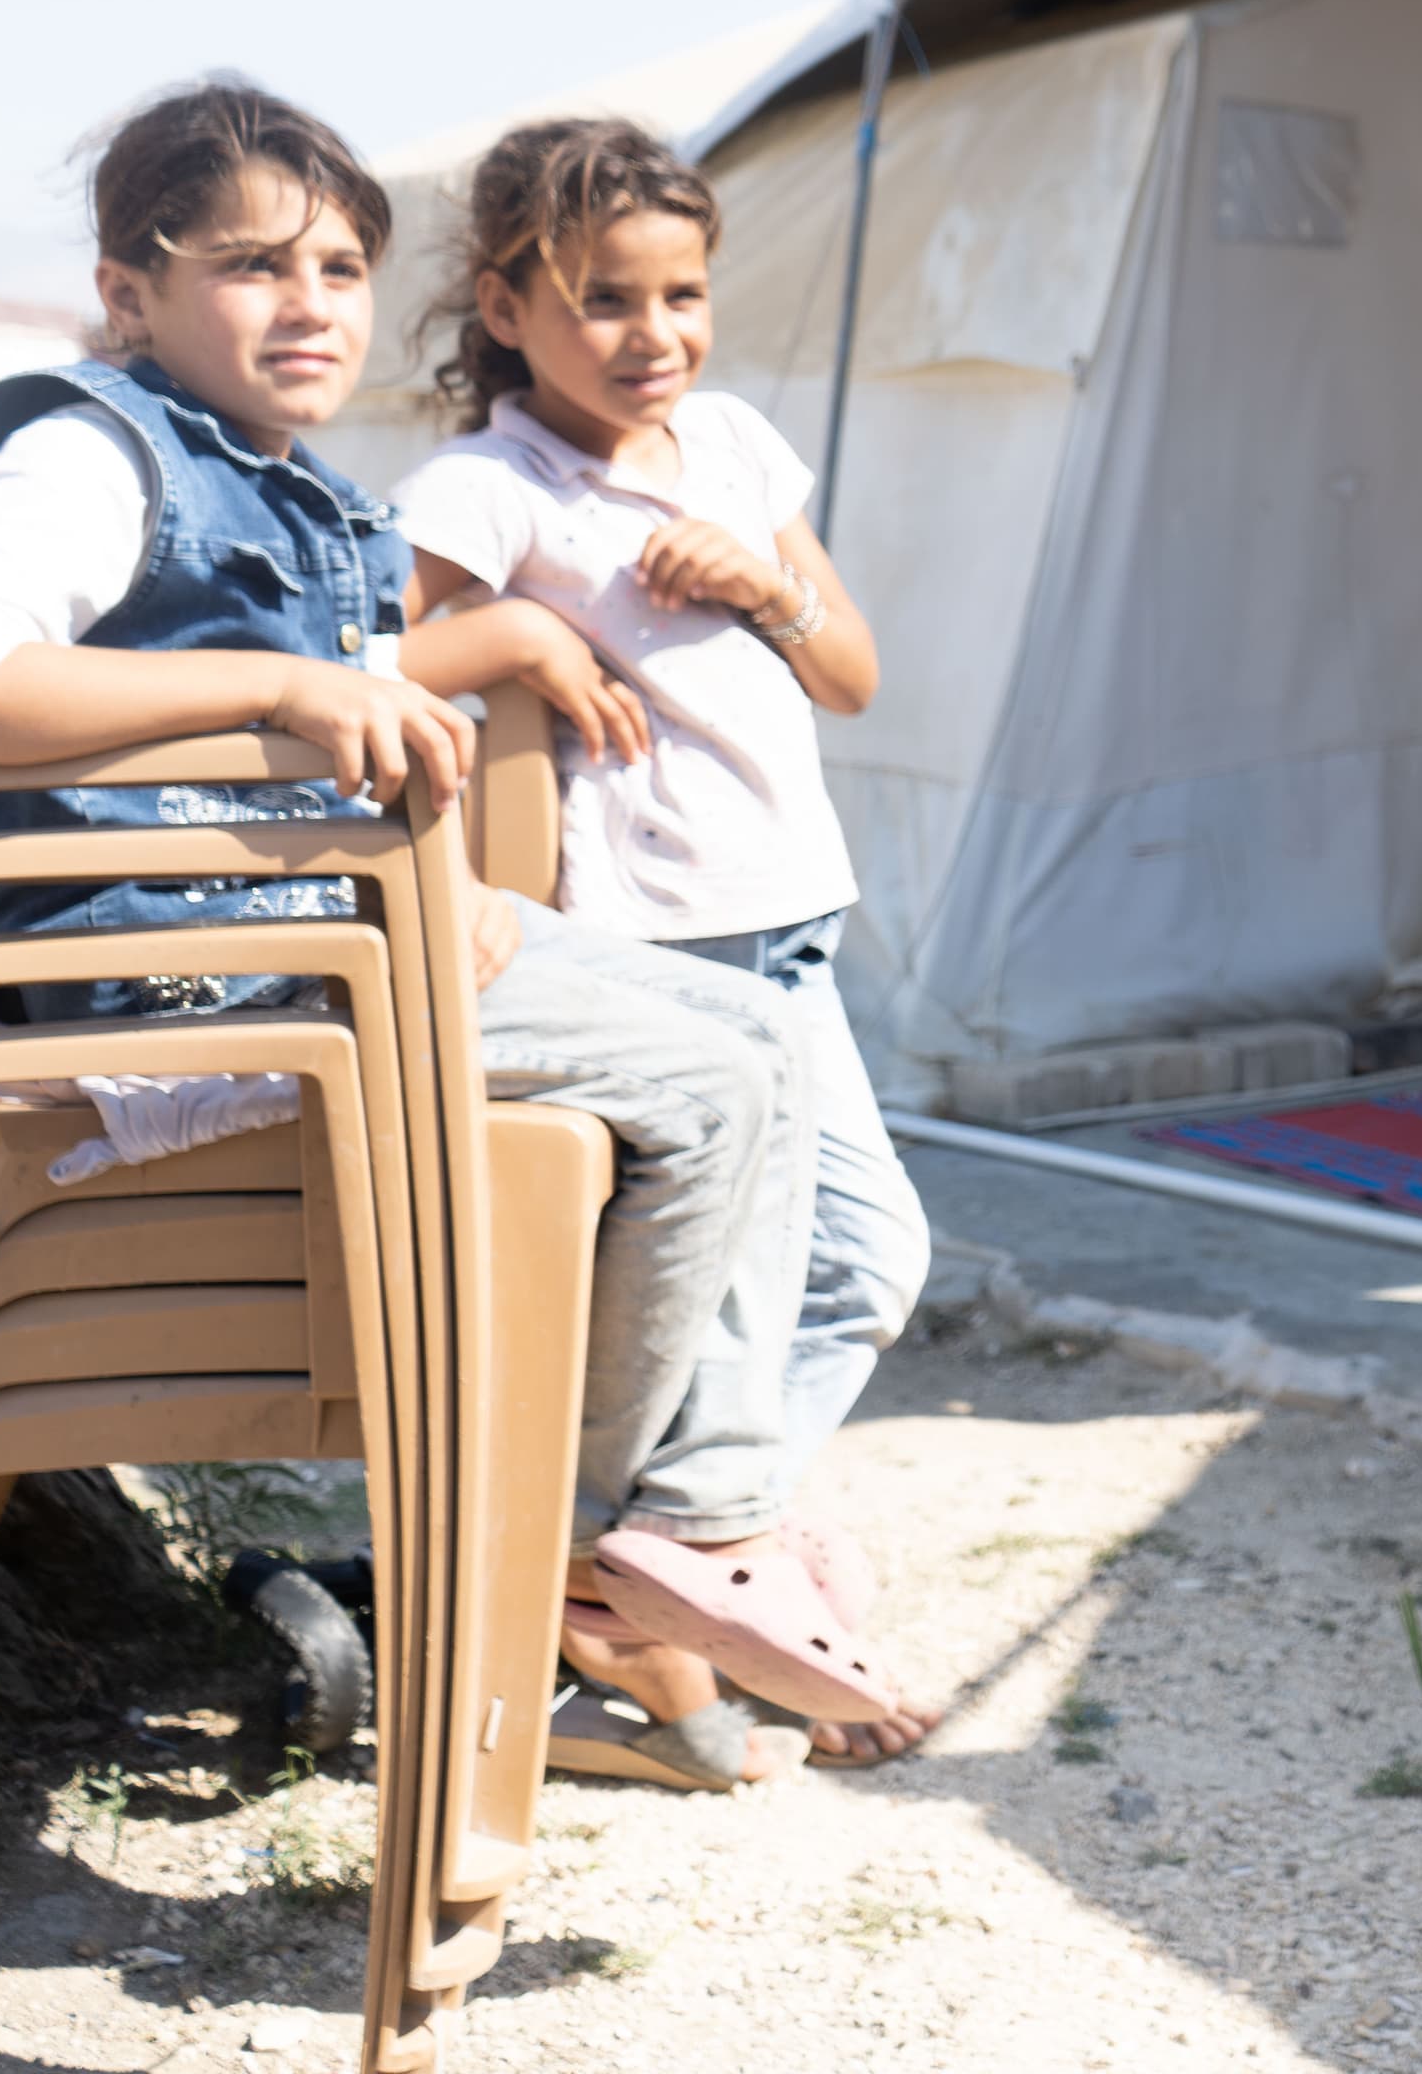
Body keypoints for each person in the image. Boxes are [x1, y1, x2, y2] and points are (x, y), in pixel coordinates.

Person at [0, 79, 907, 1792]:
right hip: (181, 976)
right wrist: (289, 683)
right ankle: (669, 1532)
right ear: (131, 288)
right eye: (254, 268)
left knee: (758, 1043)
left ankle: (649, 1542)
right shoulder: (86, 446)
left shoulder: (265, 474)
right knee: (719, 1088)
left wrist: (457, 749)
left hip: (302, 925)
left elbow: (333, 683)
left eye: (341, 268)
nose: (312, 306)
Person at [389, 116, 938, 1767]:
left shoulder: (742, 452)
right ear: (505, 305)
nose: (657, 338)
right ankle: (663, 1580)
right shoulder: (489, 487)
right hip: (648, 948)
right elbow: (397, 665)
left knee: (865, 1264)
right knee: (713, 1303)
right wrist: (535, 626)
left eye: (683, 295)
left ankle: (640, 1582)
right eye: (608, 301)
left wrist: (759, 584)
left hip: (793, 925)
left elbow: (851, 674)